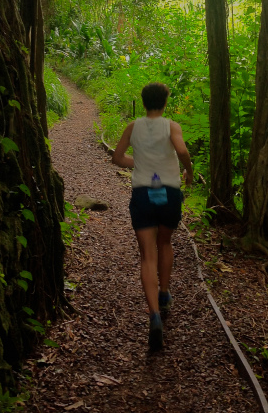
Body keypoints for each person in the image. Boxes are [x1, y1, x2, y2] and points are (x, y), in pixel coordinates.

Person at [112, 81, 193, 351]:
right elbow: (181, 151)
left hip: (143, 193)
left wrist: (141, 163)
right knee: (165, 243)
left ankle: (154, 315)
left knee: (147, 254)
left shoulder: (132, 127)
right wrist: (189, 171)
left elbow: (117, 157)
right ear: (165, 102)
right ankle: (165, 292)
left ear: (144, 102)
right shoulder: (172, 126)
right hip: (168, 192)